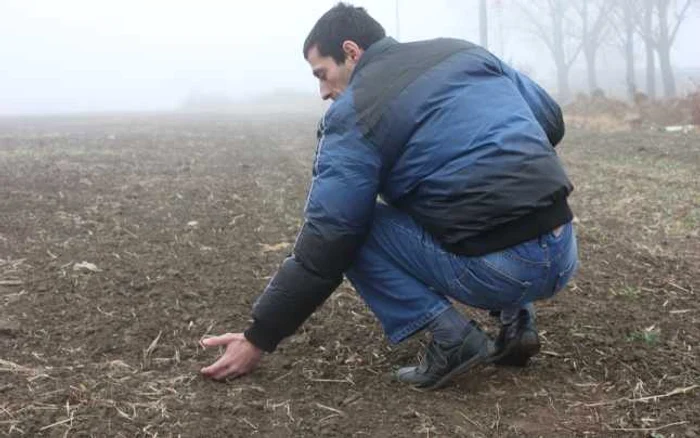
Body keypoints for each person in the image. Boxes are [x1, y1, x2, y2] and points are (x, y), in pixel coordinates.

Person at [200, 3, 578, 390]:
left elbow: (329, 238)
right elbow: (549, 120)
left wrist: (257, 338)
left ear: (351, 51)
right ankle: (518, 324)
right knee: (447, 191)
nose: (323, 92)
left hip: (499, 272)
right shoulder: (465, 52)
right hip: (563, 249)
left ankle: (453, 339)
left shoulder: (354, 112)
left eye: (323, 74)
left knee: (356, 230)